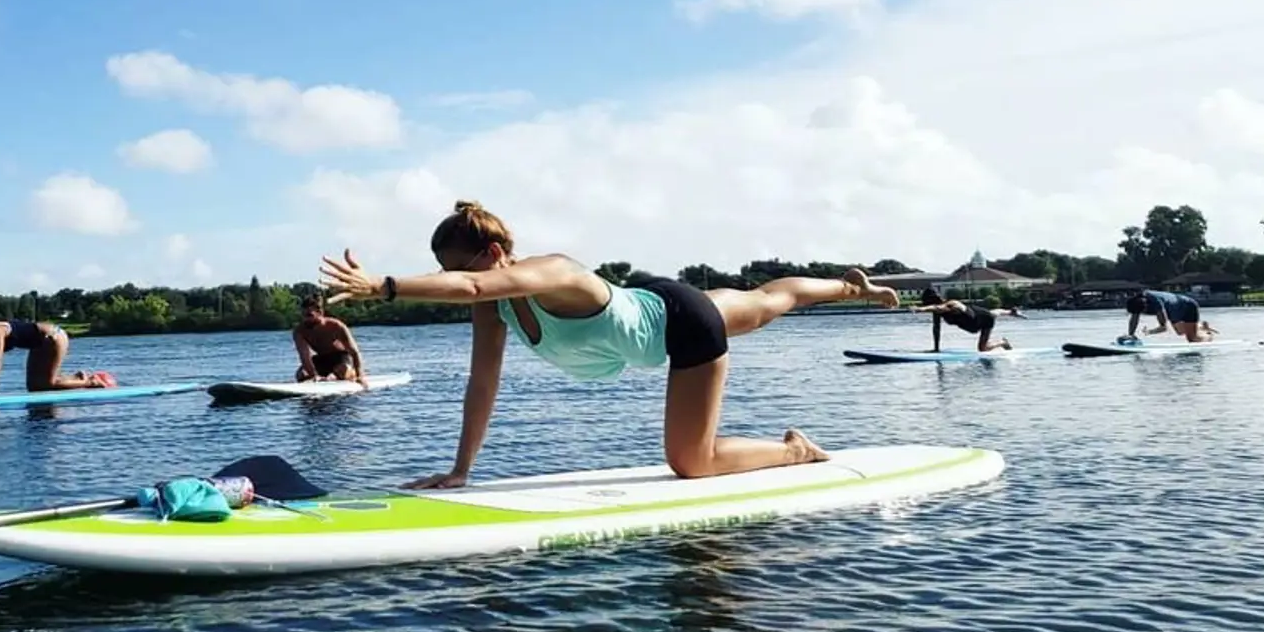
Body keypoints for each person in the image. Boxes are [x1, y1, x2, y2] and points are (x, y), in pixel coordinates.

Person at [319, 199, 899, 489]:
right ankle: (855, 286)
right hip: (650, 304)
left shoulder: (555, 271)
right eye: (441, 273)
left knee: (691, 461)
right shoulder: (492, 306)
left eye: (454, 271)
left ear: (494, 255)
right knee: (765, 300)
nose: (451, 283)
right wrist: (460, 471)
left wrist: (385, 286)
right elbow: (483, 383)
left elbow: (470, 285)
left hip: (681, 322)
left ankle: (796, 448)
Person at [0, 303, 113, 394]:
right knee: (35, 387)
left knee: (47, 384)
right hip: (38, 344)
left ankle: (91, 382)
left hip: (53, 337)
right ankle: (76, 377)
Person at [913, 288, 1023, 353]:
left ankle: (1003, 342)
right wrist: (936, 349)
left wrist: (921, 309)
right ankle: (1010, 312)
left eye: (927, 303)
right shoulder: (937, 312)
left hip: (982, 320)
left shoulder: (952, 304)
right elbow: (936, 329)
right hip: (975, 316)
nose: (927, 306)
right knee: (992, 313)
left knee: (983, 348)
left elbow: (938, 307)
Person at [292, 296, 368, 384]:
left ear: (320, 312)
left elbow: (354, 352)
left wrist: (360, 376)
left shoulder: (336, 326)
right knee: (301, 374)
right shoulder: (299, 331)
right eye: (304, 315)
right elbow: (304, 356)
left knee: (342, 370)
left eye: (310, 315)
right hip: (322, 358)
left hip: (341, 358)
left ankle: (350, 373)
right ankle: (326, 377)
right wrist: (314, 375)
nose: (306, 320)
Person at [1125, 289, 1216, 343]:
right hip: (1175, 310)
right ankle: (1201, 326)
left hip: (1188, 307)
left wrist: (1149, 332)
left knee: (1192, 339)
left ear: (1145, 307)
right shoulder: (1137, 301)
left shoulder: (1157, 304)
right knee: (1180, 332)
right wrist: (1131, 335)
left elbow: (1164, 328)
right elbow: (1134, 318)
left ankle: (1209, 336)